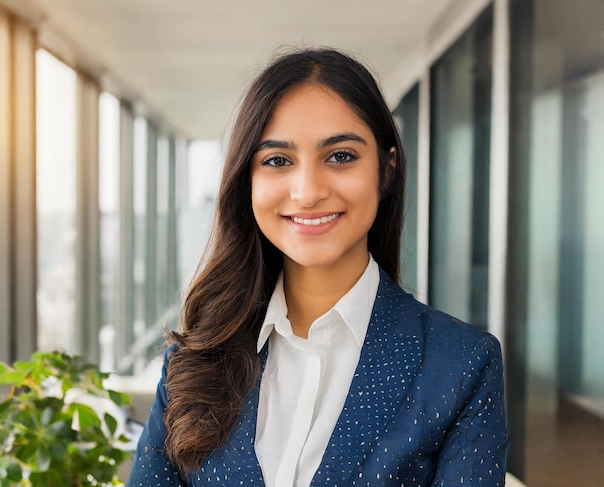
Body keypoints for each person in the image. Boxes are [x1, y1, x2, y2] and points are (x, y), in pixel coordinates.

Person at [127, 48, 508, 487]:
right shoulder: (195, 357)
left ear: (387, 169)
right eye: (277, 161)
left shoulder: (460, 363)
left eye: (341, 156)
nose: (307, 192)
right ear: (246, 179)